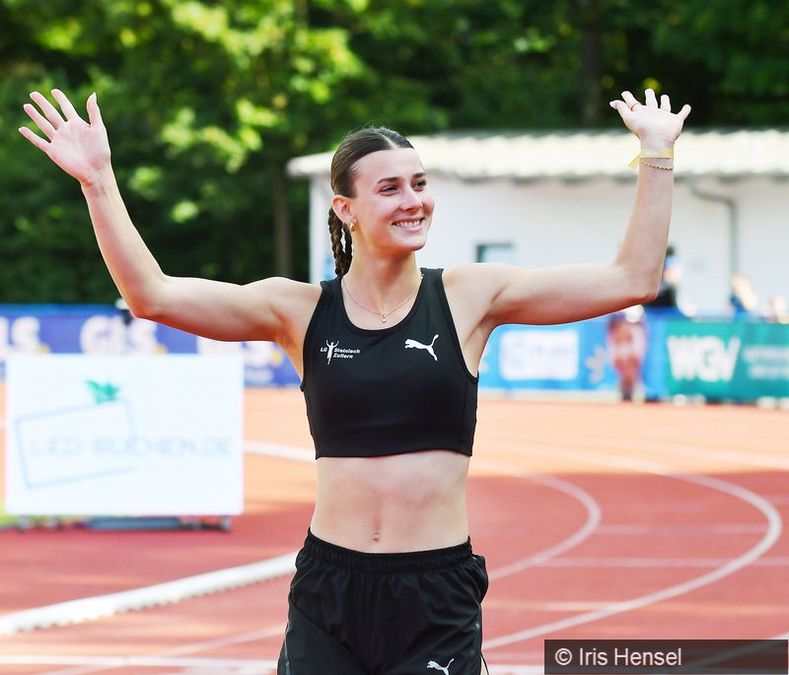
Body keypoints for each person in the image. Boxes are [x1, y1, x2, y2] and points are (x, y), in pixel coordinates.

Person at [20, 86, 690, 675]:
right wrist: (98, 181)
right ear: (344, 209)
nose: (413, 201)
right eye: (390, 188)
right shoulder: (297, 310)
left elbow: (632, 279)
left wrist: (656, 154)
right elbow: (153, 296)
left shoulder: (469, 296)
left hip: (434, 592)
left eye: (419, 183)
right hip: (330, 589)